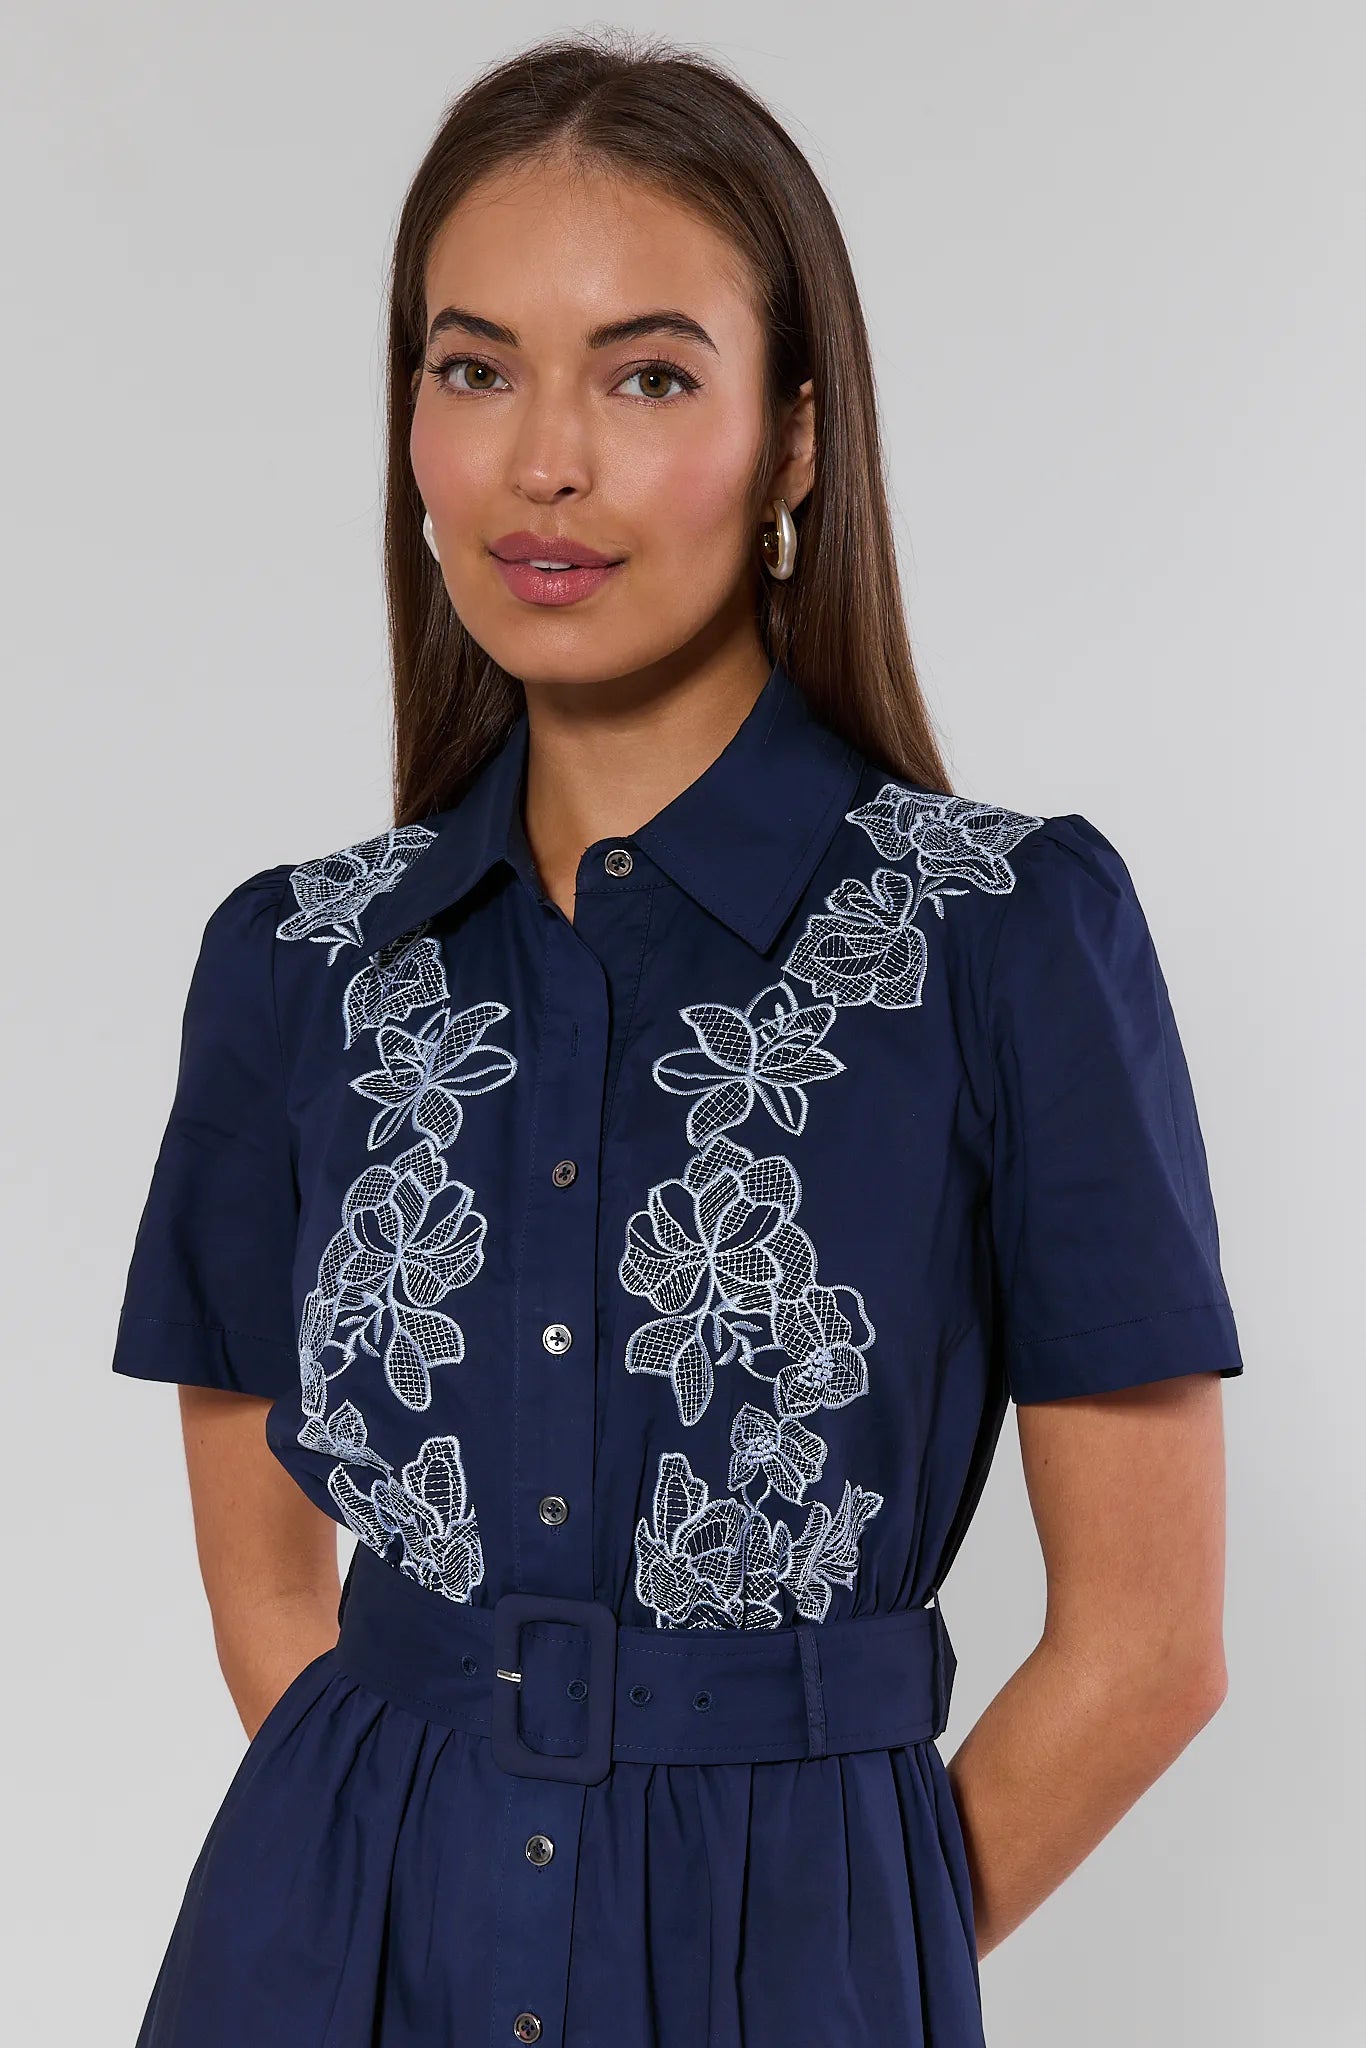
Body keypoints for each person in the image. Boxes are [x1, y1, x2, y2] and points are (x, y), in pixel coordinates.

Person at [110, 29, 1245, 2048]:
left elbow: (1147, 1648)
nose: (547, 459)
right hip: (320, 1957)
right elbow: (271, 1595)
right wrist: (403, 1884)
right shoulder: (292, 961)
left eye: (647, 374)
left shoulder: (1003, 935)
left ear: (795, 437)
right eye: (473, 368)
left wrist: (824, 1944)